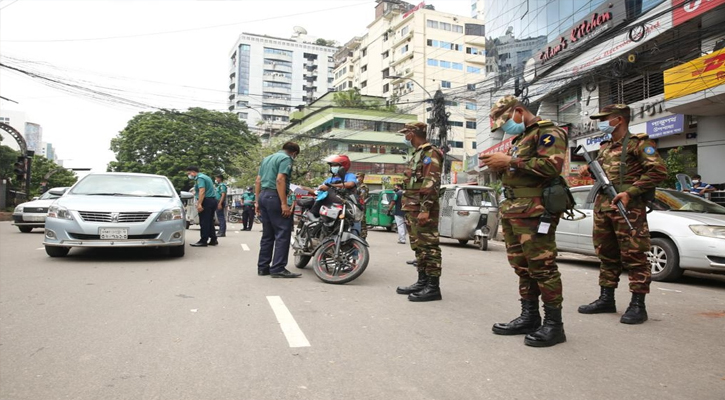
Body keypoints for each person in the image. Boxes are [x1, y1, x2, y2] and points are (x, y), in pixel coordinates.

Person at [479, 95, 568, 347]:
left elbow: (552, 167)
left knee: (543, 267)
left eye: (506, 121)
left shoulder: (549, 132)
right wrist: (500, 165)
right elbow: (520, 170)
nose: (506, 128)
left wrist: (510, 161)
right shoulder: (520, 139)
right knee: (522, 266)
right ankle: (530, 316)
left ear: (519, 112)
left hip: (536, 211)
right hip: (513, 209)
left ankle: (554, 325)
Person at [578, 104, 667, 324]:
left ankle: (638, 305)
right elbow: (605, 175)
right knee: (606, 254)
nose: (600, 122)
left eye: (604, 118)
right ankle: (606, 299)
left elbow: (658, 170)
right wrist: (589, 171)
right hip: (603, 207)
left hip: (628, 208)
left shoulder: (639, 143)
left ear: (618, 120)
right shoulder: (606, 147)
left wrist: (631, 192)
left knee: (635, 256)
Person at [395, 122, 444, 302]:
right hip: (412, 208)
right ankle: (422, 281)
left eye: (406, 133)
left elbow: (430, 184)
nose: (405, 136)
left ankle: (433, 287)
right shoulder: (417, 154)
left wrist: (425, 210)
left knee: (429, 247)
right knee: (419, 247)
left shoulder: (431, 153)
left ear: (412, 133)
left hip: (423, 209)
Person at [255, 142, 302, 278]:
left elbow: (258, 181)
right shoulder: (285, 159)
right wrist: (283, 204)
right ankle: (278, 268)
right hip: (275, 196)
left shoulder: (267, 159)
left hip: (263, 195)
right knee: (282, 233)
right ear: (294, 153)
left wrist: (257, 201)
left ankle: (263, 267)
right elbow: (280, 179)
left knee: (267, 234)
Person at [186, 166, 218, 247]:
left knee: (204, 222)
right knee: (209, 221)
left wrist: (199, 203)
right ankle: (213, 239)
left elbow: (202, 190)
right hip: (212, 201)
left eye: (189, 173)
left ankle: (203, 240)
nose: (189, 175)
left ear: (193, 172)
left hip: (206, 201)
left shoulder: (199, 178)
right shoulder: (206, 177)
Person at [356, 172, 369, 240]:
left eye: (358, 177)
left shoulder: (363, 187)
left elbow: (362, 197)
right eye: (356, 177)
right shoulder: (355, 186)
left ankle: (363, 237)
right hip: (355, 206)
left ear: (362, 178)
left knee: (362, 222)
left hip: (361, 207)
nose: (357, 179)